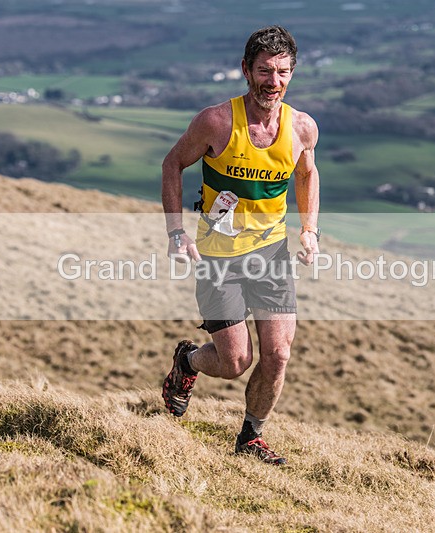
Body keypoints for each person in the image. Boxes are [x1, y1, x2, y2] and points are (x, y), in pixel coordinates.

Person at [160, 25, 320, 465]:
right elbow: (172, 162)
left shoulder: (301, 127)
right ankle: (188, 363)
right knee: (235, 363)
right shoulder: (216, 121)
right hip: (218, 258)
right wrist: (176, 232)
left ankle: (251, 437)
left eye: (283, 72)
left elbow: (307, 173)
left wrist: (309, 229)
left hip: (271, 256)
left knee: (279, 354)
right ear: (246, 71)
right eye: (265, 71)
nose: (274, 81)